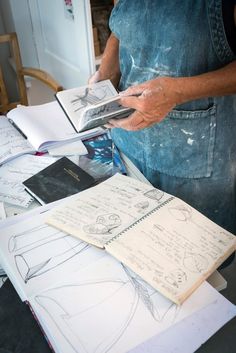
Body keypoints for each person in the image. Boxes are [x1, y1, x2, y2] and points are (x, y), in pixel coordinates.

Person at [90, 1, 236, 249]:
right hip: (128, 146)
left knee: (191, 265)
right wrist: (105, 73)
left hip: (195, 160)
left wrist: (176, 91)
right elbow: (120, 29)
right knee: (129, 249)